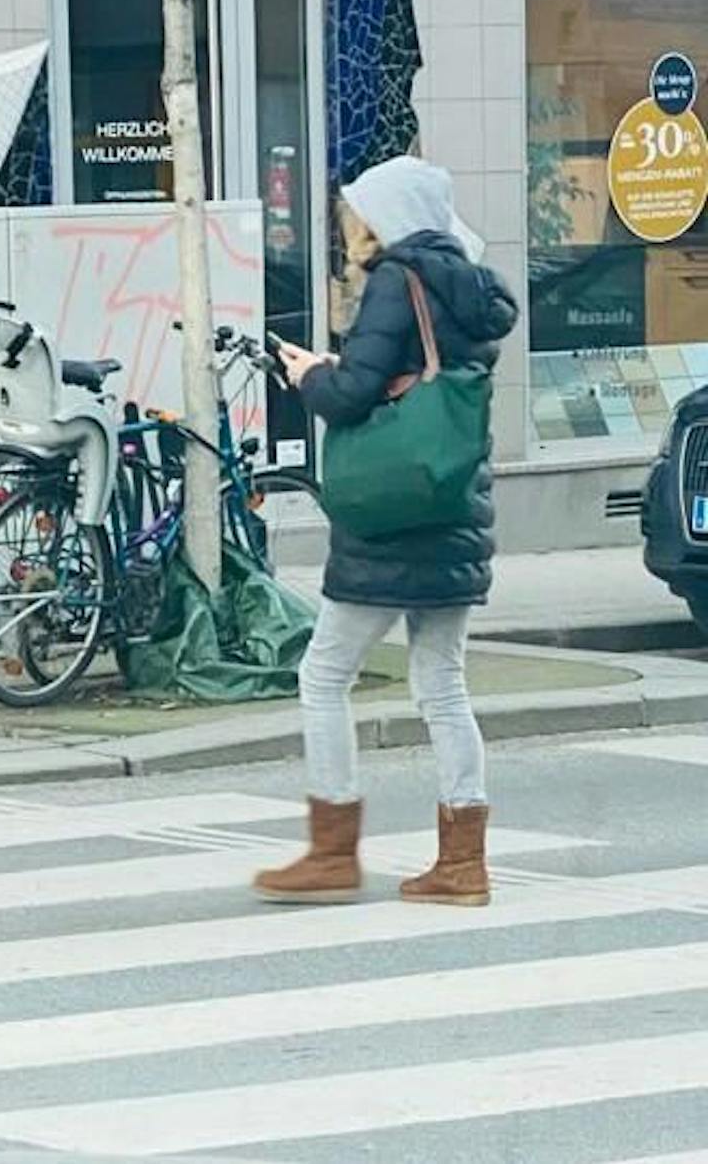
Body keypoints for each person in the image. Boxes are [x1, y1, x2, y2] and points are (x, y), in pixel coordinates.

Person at [253, 155, 518, 909]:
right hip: (452, 506)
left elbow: (353, 395)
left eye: (357, 210)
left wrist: (309, 374)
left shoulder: (396, 282)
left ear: (385, 216)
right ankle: (463, 860)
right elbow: (413, 380)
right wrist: (350, 368)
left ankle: (333, 851)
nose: (349, 223)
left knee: (323, 673)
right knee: (442, 682)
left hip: (392, 520)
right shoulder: (466, 281)